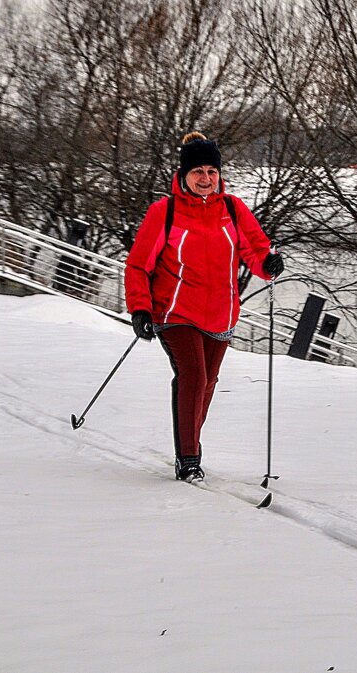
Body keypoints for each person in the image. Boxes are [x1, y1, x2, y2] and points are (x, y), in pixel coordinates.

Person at [125, 132, 284, 482]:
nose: (206, 178)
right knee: (193, 377)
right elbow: (138, 266)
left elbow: (256, 250)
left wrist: (268, 264)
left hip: (221, 314)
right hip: (175, 311)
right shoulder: (164, 213)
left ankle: (190, 442)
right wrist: (140, 309)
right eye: (198, 171)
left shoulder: (232, 209)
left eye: (212, 171)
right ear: (183, 174)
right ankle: (188, 459)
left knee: (208, 382)